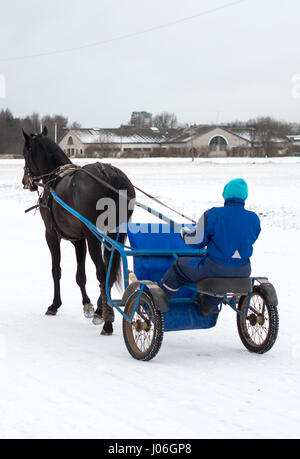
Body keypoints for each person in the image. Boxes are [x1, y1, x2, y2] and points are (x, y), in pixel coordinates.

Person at [159, 178, 261, 315]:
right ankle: (207, 305)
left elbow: (196, 241)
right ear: (245, 195)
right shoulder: (254, 218)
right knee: (222, 275)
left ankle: (159, 303)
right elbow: (251, 237)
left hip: (214, 269)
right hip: (243, 270)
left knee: (179, 266)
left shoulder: (213, 214)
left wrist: (184, 235)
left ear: (226, 194)